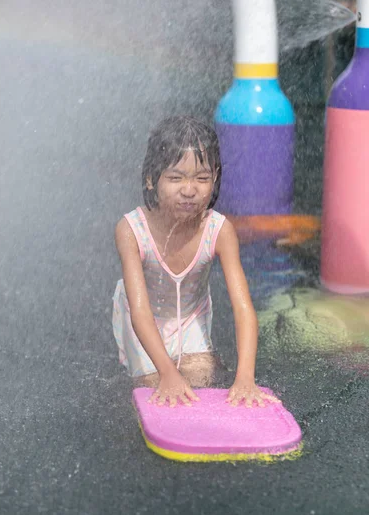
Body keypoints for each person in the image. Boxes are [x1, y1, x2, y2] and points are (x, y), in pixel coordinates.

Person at [112, 116, 279, 409]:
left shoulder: (219, 231)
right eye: (175, 178)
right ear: (152, 178)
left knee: (202, 382)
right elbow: (140, 312)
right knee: (154, 389)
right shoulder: (132, 230)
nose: (189, 190)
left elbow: (243, 309)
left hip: (192, 316)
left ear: (215, 176)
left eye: (201, 179)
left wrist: (245, 378)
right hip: (142, 316)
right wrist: (167, 372)